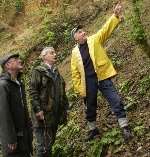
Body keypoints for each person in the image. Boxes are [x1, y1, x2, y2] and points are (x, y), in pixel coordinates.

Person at [71, 3, 132, 141]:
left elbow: (105, 30)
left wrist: (115, 15)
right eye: (80, 32)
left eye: (83, 30)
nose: (84, 32)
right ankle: (93, 130)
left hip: (102, 77)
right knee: (90, 107)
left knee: (115, 100)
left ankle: (124, 127)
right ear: (75, 37)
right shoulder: (74, 53)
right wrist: (80, 89)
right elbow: (75, 74)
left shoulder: (94, 40)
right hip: (88, 83)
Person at [30, 47, 69, 157]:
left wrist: (65, 109)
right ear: (44, 57)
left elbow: (62, 92)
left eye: (55, 52)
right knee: (41, 148)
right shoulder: (37, 71)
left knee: (49, 146)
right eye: (52, 53)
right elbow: (33, 92)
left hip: (54, 116)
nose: (55, 54)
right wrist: (38, 110)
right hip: (42, 117)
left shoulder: (56, 72)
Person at [0, 53, 33, 157]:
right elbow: (4, 114)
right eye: (16, 59)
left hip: (24, 137)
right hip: (13, 142)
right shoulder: (3, 85)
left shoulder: (19, 83)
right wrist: (10, 139)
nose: (20, 60)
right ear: (8, 65)